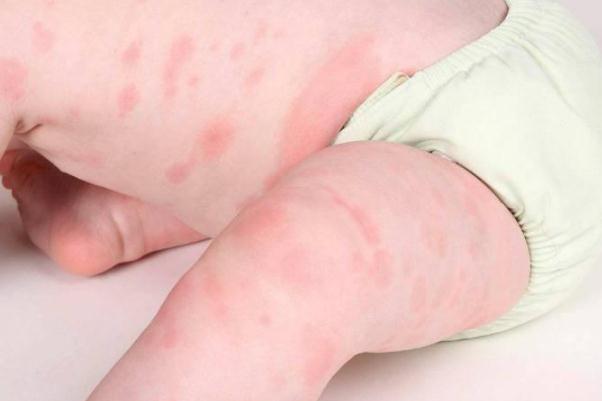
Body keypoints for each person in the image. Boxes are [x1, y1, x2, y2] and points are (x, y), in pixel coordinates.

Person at [1, 0, 601, 399]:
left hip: (490, 154)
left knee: (303, 256)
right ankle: (124, 212)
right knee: (297, 215)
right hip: (420, 60)